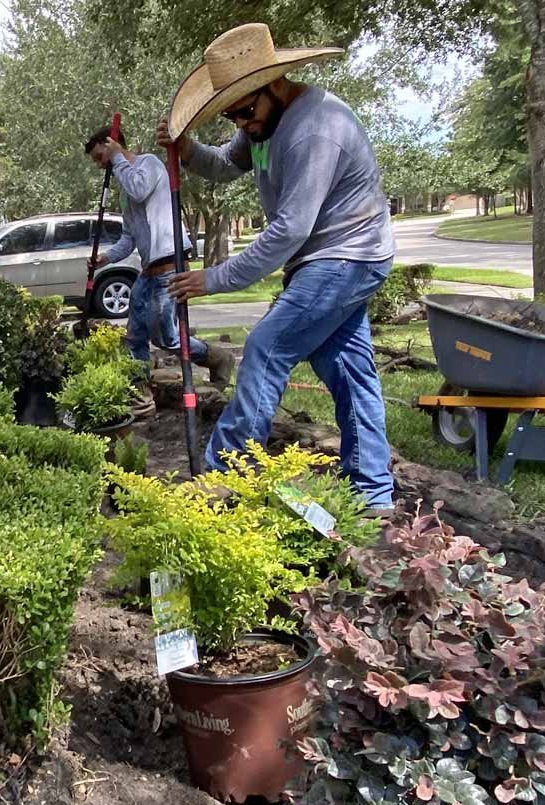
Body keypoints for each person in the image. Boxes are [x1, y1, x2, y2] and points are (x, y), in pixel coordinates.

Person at [156, 23, 396, 512]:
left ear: (276, 84)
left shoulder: (314, 130)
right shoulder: (265, 119)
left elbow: (290, 229)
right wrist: (186, 151)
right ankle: (373, 492)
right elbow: (225, 164)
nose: (242, 123)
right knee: (350, 371)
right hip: (330, 257)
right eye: (231, 115)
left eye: (246, 110)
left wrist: (216, 279)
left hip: (346, 255)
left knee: (265, 348)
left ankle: (224, 477)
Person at [83, 128, 208, 368]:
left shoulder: (148, 164)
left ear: (113, 145)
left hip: (170, 268)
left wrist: (117, 157)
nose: (100, 165)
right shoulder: (124, 188)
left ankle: (213, 357)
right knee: (135, 336)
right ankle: (141, 391)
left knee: (166, 338)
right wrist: (106, 258)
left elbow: (139, 190)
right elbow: (129, 237)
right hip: (148, 271)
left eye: (101, 156)